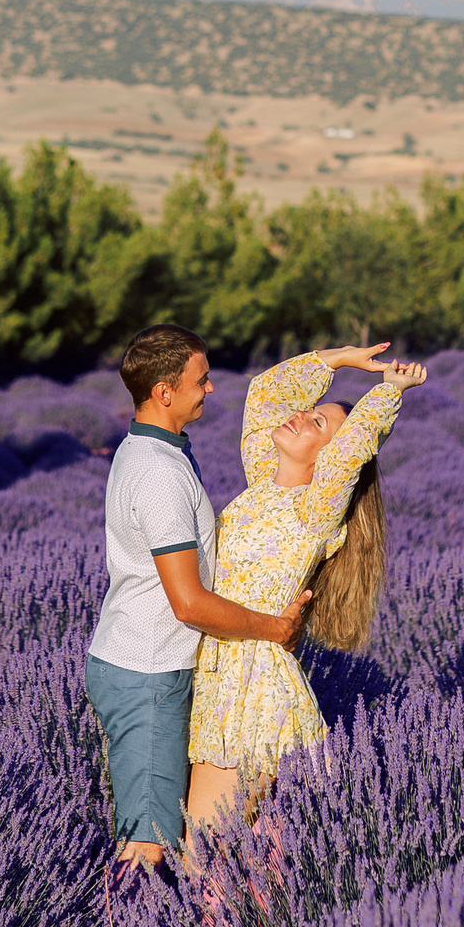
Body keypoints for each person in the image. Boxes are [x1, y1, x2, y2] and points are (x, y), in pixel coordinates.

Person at [84, 324, 311, 870]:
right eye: (200, 380)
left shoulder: (154, 447)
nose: (210, 389)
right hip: (149, 674)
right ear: (164, 391)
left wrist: (340, 359)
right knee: (146, 842)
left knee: (160, 825)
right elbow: (188, 603)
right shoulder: (160, 473)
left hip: (148, 664)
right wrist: (273, 628)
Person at [186, 342, 426, 829]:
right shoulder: (263, 483)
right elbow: (265, 396)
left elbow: (352, 454)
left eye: (317, 424)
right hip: (218, 671)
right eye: (309, 412)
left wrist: (388, 392)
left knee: (205, 848)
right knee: (233, 845)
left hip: (248, 685)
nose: (300, 417)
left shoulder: (314, 512)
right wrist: (334, 359)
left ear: (328, 458)